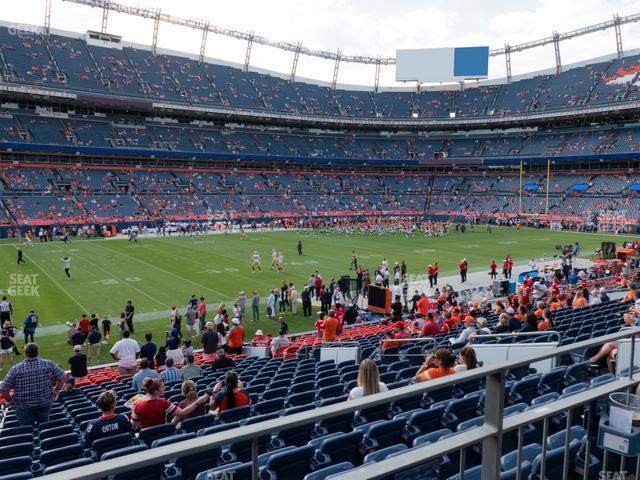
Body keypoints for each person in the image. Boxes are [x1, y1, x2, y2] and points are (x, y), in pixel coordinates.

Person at [0, 343, 65, 425]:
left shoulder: (15, 369)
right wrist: (56, 390)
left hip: (24, 406)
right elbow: (62, 377)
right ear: (37, 352)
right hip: (44, 403)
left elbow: (3, 389)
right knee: (43, 425)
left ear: (25, 353)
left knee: (27, 429)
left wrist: (10, 401)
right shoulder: (49, 364)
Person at [131, 377, 208, 429]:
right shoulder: (163, 403)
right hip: (163, 436)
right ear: (156, 391)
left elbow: (134, 427)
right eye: (162, 387)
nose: (164, 388)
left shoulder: (137, 406)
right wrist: (198, 402)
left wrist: (134, 413)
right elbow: (182, 413)